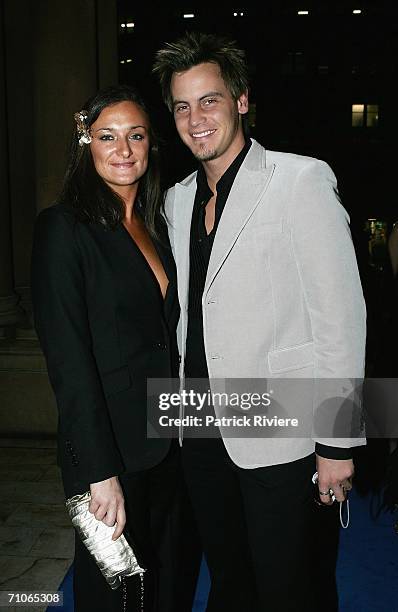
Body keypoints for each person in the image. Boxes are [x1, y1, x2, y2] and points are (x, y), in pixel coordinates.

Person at [153, 32, 367, 611]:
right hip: (199, 428)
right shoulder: (176, 201)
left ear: (241, 100)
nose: (196, 119)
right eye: (182, 106)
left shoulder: (298, 180)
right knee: (231, 580)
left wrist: (337, 441)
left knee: (290, 585)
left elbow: (340, 319)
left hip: (281, 426)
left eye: (210, 100)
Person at [31, 84, 198, 612]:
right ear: (87, 143)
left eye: (135, 136)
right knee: (116, 595)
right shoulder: (62, 228)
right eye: (107, 136)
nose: (123, 150)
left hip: (172, 438)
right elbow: (69, 361)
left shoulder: (158, 225)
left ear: (151, 145)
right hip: (110, 452)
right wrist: (99, 474)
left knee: (169, 586)